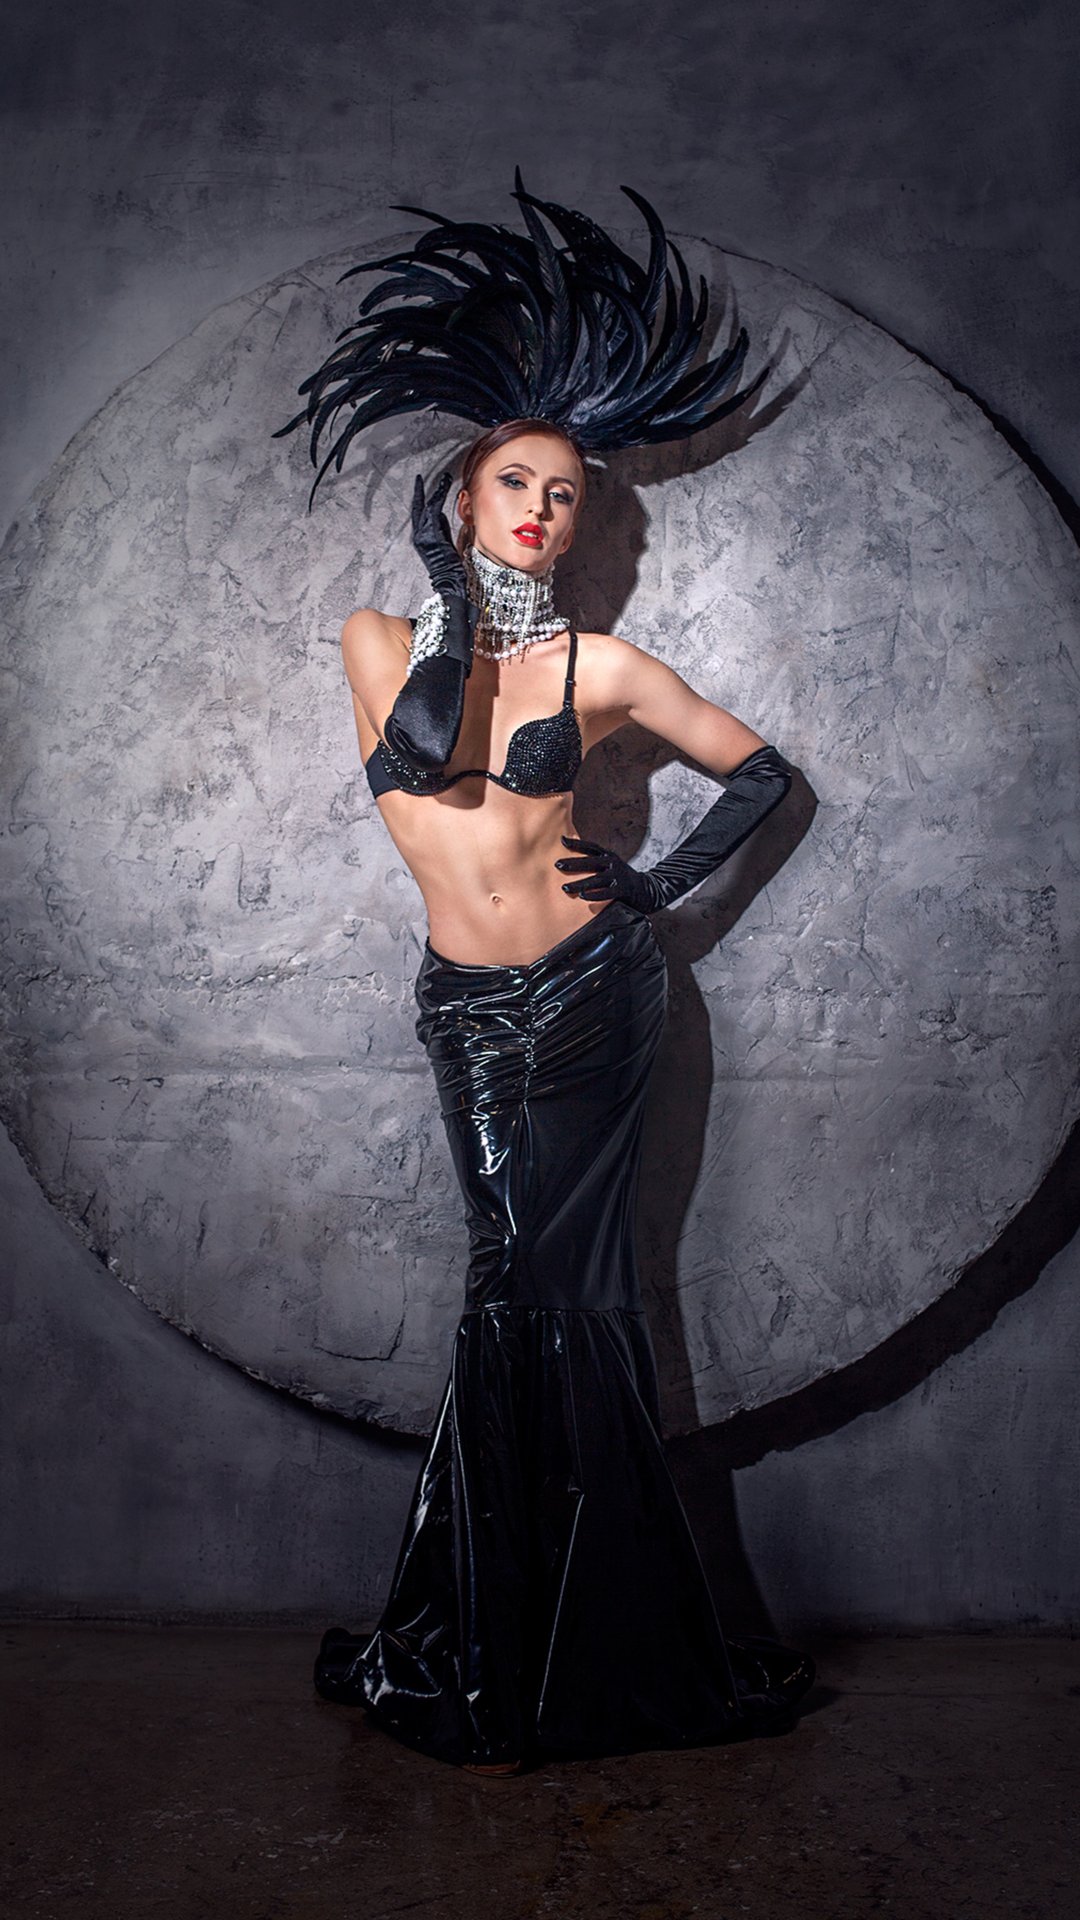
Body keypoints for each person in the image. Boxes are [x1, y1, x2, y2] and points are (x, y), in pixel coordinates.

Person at [278, 175, 816, 1773]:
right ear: (466, 500)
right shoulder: (384, 638)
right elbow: (426, 746)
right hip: (471, 1011)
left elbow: (766, 774)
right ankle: (523, 1632)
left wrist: (663, 883)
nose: (543, 511)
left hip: (597, 994)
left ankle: (588, 1647)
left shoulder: (608, 668)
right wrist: (463, 593)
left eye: (567, 497)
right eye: (517, 483)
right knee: (513, 1287)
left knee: (572, 1297)